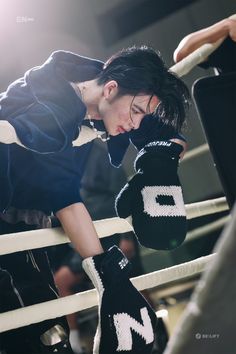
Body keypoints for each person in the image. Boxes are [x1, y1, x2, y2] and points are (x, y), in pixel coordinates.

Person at [0, 46, 189, 354]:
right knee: (34, 335)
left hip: (27, 227)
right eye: (137, 112)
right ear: (111, 88)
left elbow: (145, 118)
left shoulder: (97, 103)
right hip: (9, 224)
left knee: (45, 331)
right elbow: (64, 196)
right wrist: (108, 274)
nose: (135, 124)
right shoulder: (54, 108)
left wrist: (166, 151)